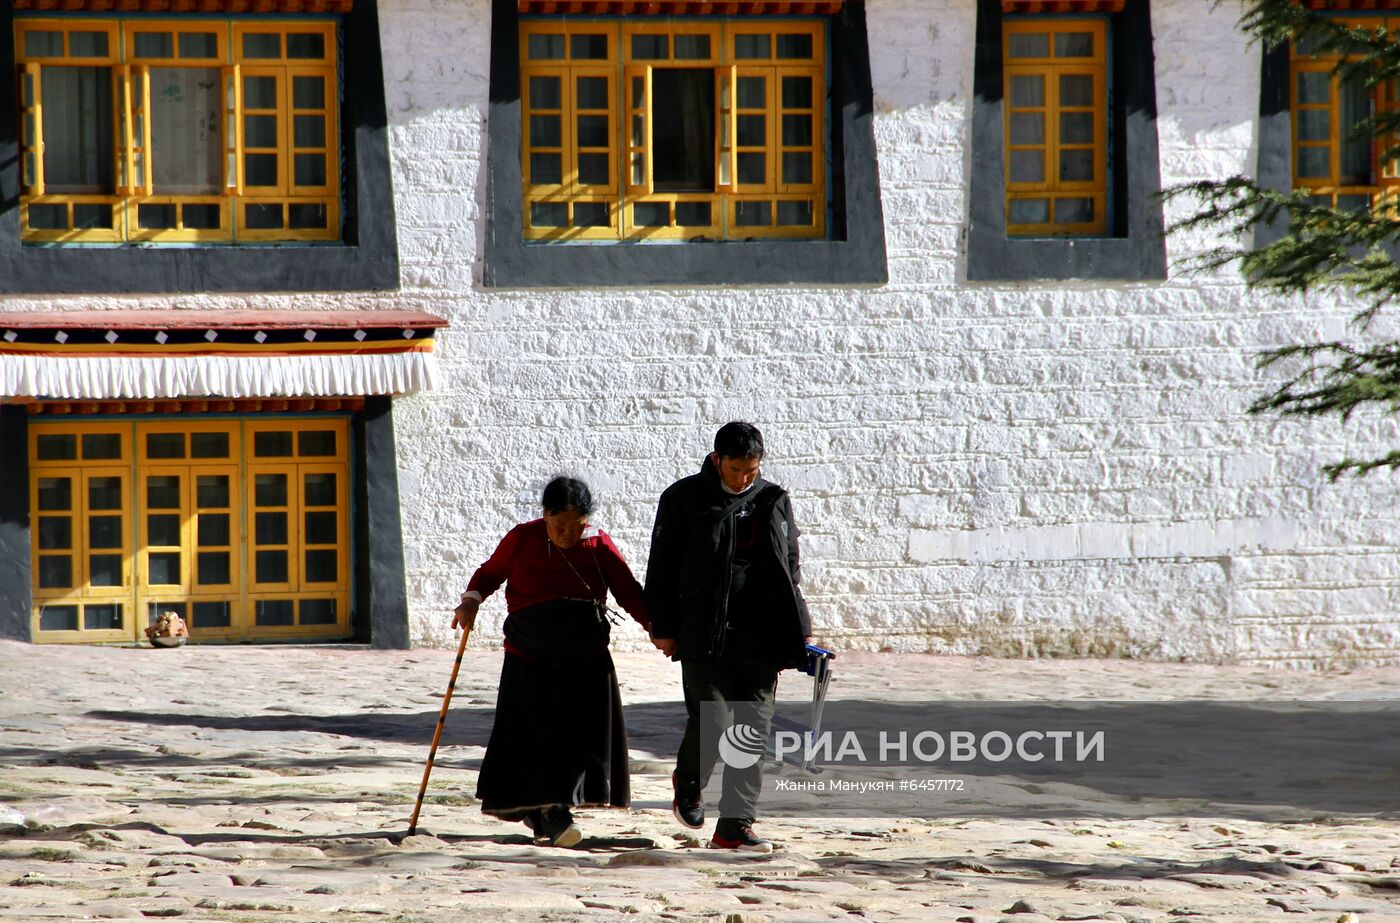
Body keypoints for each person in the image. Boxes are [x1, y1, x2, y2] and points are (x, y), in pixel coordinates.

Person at [451, 476, 650, 847]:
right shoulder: (523, 538)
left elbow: (628, 592)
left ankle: (549, 813)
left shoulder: (599, 547)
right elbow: (490, 574)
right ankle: (552, 814)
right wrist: (471, 600)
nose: (566, 533)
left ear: (587, 521)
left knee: (575, 741)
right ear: (545, 515)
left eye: (576, 526)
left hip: (585, 659)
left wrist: (658, 629)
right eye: (558, 524)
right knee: (536, 739)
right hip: (529, 658)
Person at [645, 422, 812, 853]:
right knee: (715, 720)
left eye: (751, 469)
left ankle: (735, 825)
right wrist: (661, 626)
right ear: (717, 459)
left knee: (752, 729)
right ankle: (689, 781)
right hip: (703, 631)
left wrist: (800, 625)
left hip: (760, 634)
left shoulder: (773, 499)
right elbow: (661, 567)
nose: (744, 478)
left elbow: (789, 564)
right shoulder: (682, 499)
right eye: (736, 469)